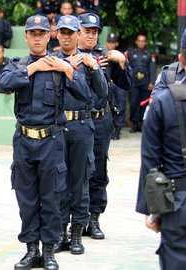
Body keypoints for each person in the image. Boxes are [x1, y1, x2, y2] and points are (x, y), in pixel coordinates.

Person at [0, 14, 90, 270]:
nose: (38, 37)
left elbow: (85, 95)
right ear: (26, 36)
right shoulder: (18, 64)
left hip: (52, 140)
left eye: (42, 33)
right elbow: (4, 82)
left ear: (49, 36)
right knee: (26, 198)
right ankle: (31, 250)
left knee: (51, 198)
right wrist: (32, 69)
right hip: (25, 141)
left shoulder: (60, 64)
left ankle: (49, 251)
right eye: (33, 33)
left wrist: (67, 69)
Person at [136, 23, 186, 270]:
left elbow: (150, 162)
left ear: (181, 58)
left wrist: (152, 209)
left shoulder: (161, 102)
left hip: (175, 203)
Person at [53, 14, 107, 255]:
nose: (66, 36)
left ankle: (77, 234)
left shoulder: (88, 62)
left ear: (77, 34)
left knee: (80, 182)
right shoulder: (51, 60)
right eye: (62, 32)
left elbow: (102, 93)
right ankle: (61, 232)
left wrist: (94, 66)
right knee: (59, 183)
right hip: (59, 127)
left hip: (82, 126)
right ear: (57, 34)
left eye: (70, 32)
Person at [76, 14, 132, 241]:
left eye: (94, 31)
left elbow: (126, 84)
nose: (91, 35)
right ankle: (75, 221)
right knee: (76, 170)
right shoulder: (69, 55)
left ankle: (94, 218)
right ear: (78, 31)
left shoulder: (105, 56)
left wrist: (123, 62)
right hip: (77, 120)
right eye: (86, 30)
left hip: (101, 119)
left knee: (98, 170)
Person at [125, 33, 156, 133]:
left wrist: (152, 82)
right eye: (140, 41)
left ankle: (142, 124)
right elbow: (125, 66)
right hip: (134, 82)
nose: (141, 43)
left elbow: (152, 69)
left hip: (145, 82)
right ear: (136, 42)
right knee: (133, 103)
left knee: (144, 103)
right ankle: (134, 123)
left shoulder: (149, 54)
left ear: (145, 42)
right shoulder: (130, 52)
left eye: (143, 41)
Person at [105, 32, 129, 140]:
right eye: (109, 42)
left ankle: (118, 129)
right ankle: (111, 128)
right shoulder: (102, 54)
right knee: (109, 106)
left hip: (119, 84)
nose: (110, 44)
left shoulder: (121, 56)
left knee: (121, 106)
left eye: (113, 42)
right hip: (109, 84)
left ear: (117, 43)